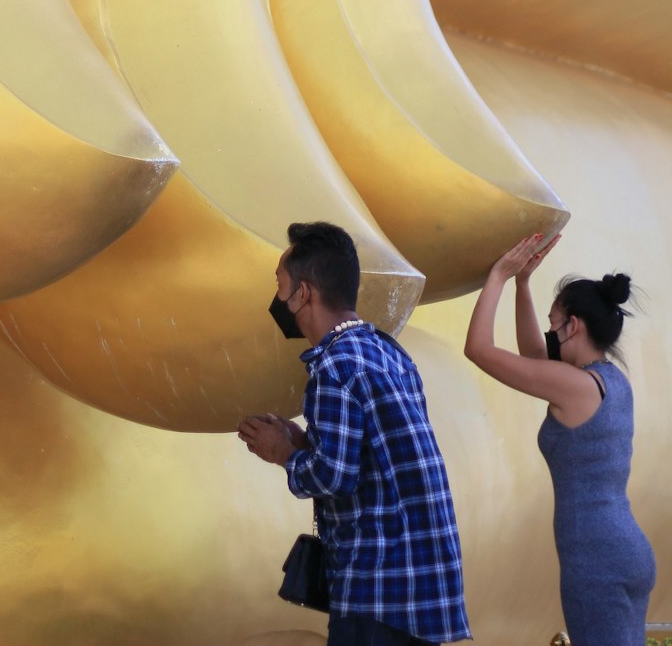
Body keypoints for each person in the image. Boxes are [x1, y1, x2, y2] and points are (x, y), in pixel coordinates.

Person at [238, 221, 470, 646]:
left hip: (378, 586)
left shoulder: (333, 366)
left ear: (303, 293)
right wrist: (302, 441)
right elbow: (372, 460)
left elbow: (334, 477)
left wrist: (282, 454)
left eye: (280, 284)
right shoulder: (385, 350)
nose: (277, 298)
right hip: (421, 583)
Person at [464, 232, 655, 646]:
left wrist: (497, 276)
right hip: (625, 549)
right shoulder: (610, 382)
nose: (550, 334)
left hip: (595, 559)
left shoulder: (576, 386)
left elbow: (478, 349)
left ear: (575, 325)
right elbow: (535, 360)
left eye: (554, 325)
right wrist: (523, 285)